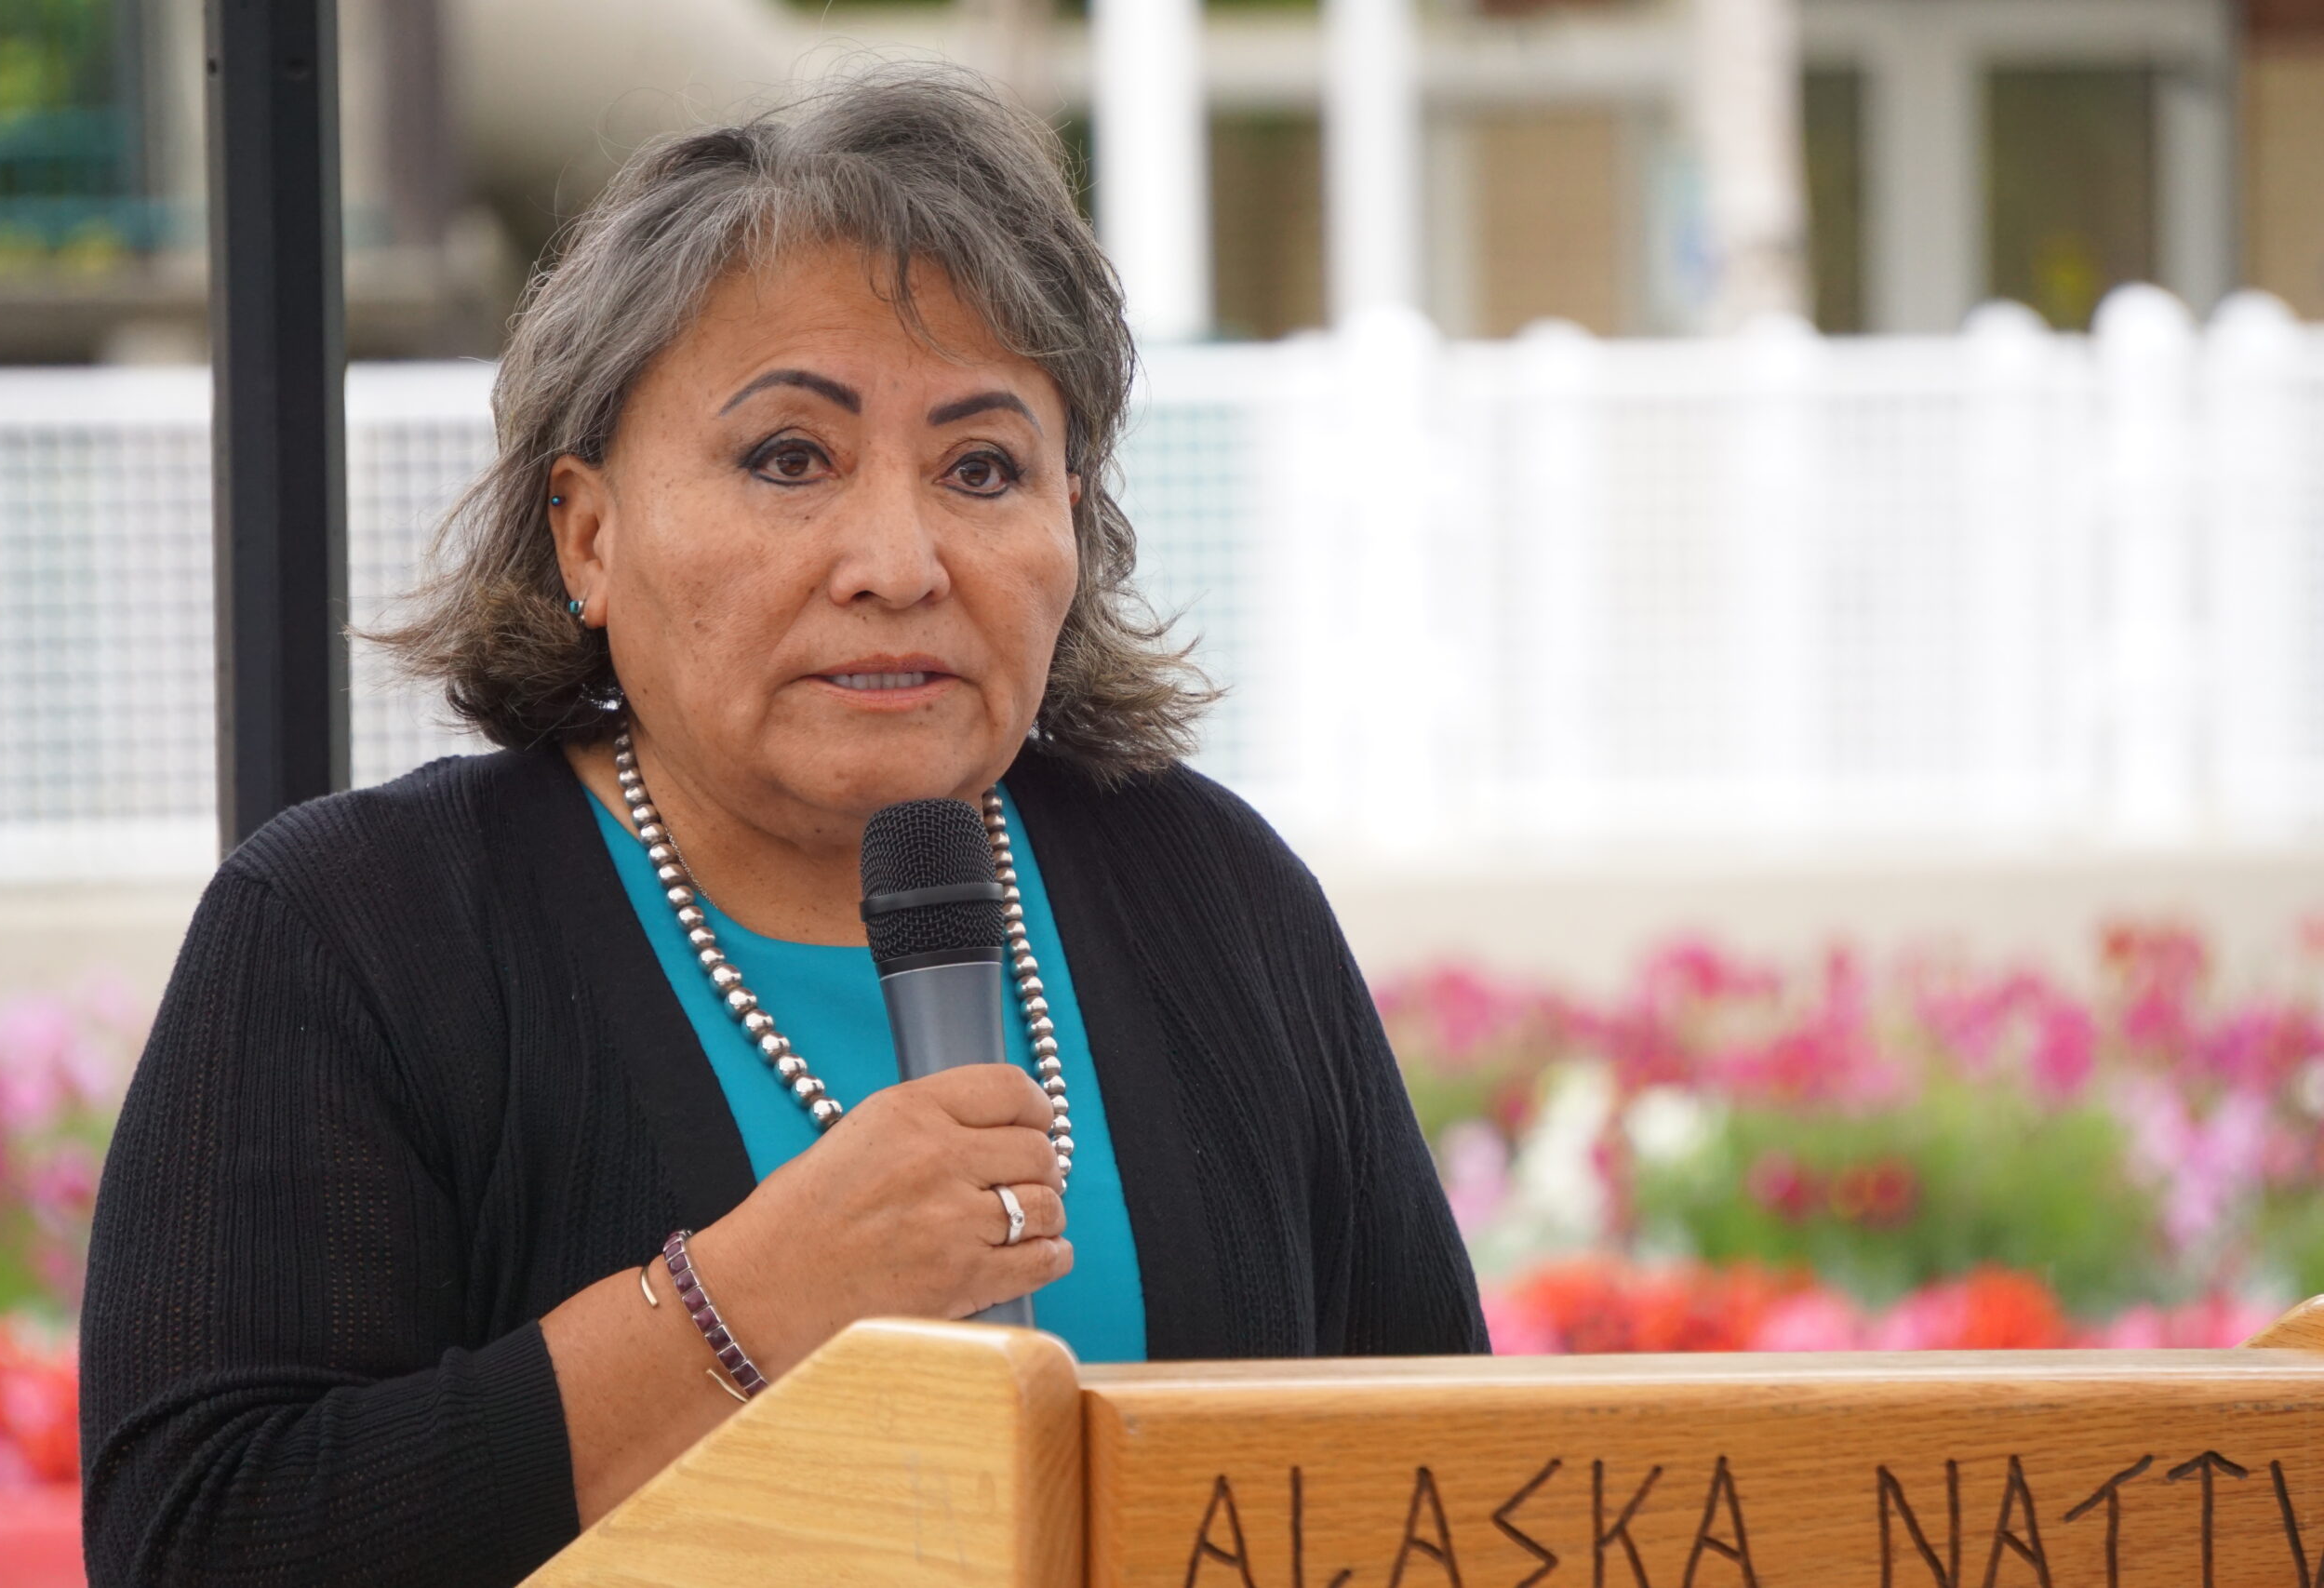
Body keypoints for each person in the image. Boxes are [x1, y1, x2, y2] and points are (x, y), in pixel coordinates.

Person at [78, 67, 1484, 1587]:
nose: (897, 558)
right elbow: (203, 1538)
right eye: (790, 459)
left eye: (983, 468)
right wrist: (745, 1305)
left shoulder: (1213, 897)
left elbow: (1458, 1492)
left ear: (1071, 524)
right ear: (589, 535)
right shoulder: (355, 933)